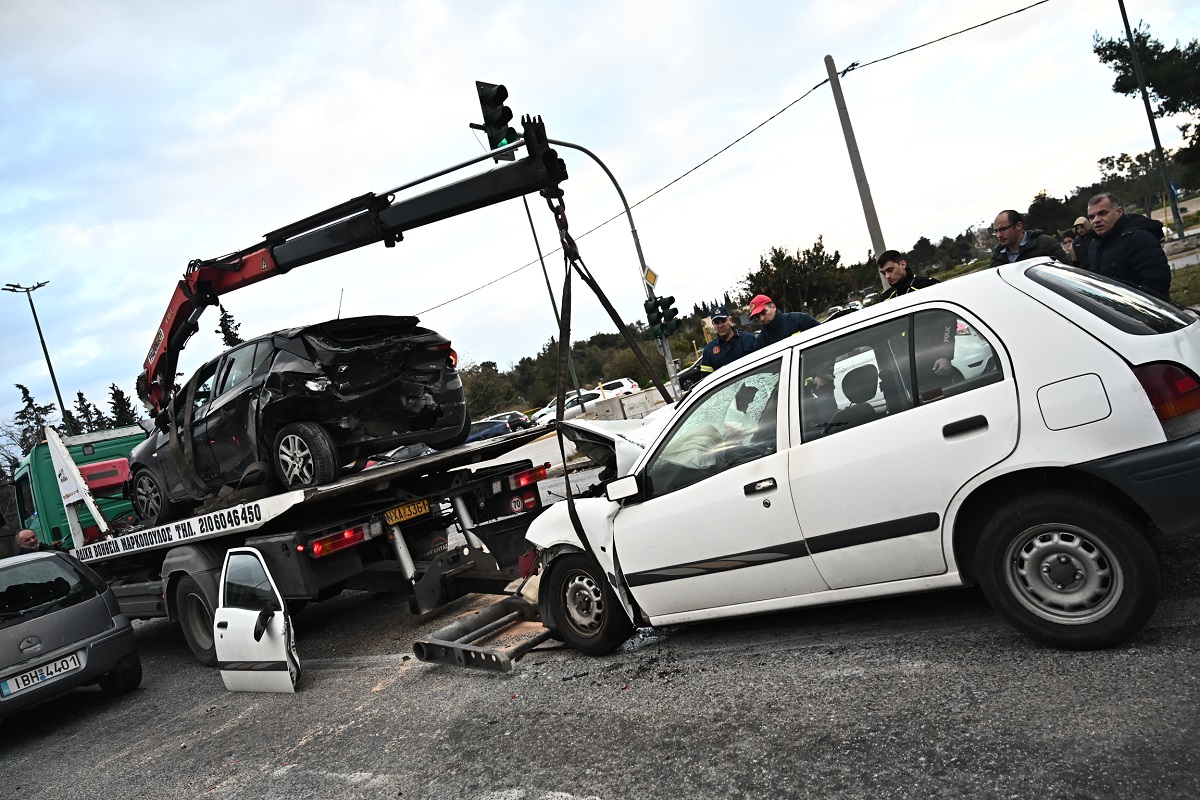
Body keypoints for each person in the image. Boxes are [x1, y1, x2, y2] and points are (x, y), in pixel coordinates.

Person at [1086, 192, 1171, 298]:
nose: (1096, 220)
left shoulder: (1138, 238)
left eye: (1102, 213)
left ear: (1119, 212)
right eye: (1091, 217)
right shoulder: (1094, 245)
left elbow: (1157, 282)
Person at [989, 210, 1067, 267]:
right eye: (996, 231)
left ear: (1018, 226)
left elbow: (1070, 273)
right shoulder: (997, 256)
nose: (999, 235)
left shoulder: (1047, 244)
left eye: (1003, 229)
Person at [697, 306, 757, 376]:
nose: (720, 326)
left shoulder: (748, 339)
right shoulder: (709, 350)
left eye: (723, 321)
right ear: (713, 325)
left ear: (730, 320)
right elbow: (706, 378)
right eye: (717, 323)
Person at [748, 295, 819, 347]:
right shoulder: (761, 341)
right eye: (757, 317)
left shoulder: (800, 319)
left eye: (763, 312)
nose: (761, 319)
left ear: (773, 307)